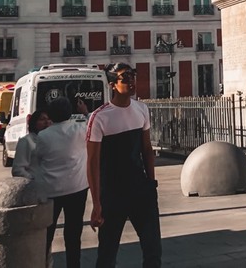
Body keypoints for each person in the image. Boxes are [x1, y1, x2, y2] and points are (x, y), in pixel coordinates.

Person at [86, 63, 161, 268]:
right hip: (113, 193)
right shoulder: (99, 117)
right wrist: (96, 203)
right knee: (108, 253)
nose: (131, 81)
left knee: (153, 248)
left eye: (133, 76)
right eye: (125, 77)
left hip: (141, 189)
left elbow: (146, 149)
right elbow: (92, 163)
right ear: (112, 84)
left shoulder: (142, 109)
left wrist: (151, 183)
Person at [36, 97, 89, 268]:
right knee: (74, 233)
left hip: (51, 190)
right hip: (77, 188)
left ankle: (43, 262)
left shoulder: (43, 136)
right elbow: (94, 123)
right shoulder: (80, 129)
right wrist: (85, 111)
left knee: (47, 232)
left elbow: (38, 159)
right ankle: (74, 265)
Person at [12, 109, 51, 179]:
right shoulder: (26, 141)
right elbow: (17, 170)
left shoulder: (52, 139)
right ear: (34, 123)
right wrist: (33, 179)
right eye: (42, 119)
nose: (47, 122)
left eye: (48, 119)